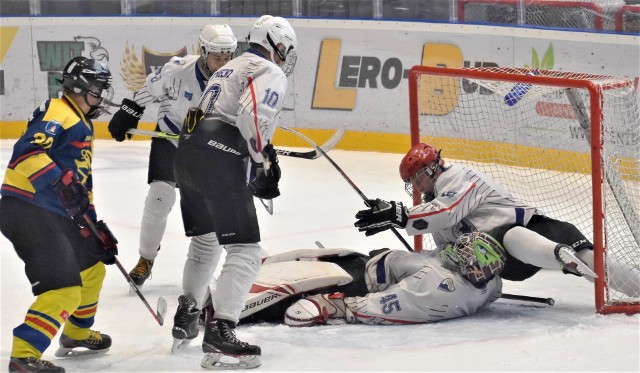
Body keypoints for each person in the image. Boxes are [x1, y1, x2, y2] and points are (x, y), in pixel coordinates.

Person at [170, 15, 297, 370]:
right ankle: (221, 329)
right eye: (285, 49)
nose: (286, 57)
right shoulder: (269, 70)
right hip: (218, 153)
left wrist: (260, 152)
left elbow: (220, 113)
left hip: (187, 152)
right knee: (245, 251)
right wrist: (260, 162)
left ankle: (187, 313)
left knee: (205, 242)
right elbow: (250, 116)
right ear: (278, 44)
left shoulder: (230, 67)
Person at [353, 142, 639, 298]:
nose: (416, 184)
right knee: (505, 241)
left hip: (536, 227)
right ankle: (557, 256)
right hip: (505, 263)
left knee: (587, 257)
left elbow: (445, 212)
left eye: (418, 176)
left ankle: (564, 257)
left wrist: (399, 214)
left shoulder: (459, 177)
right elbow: (447, 247)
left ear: (432, 166)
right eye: (411, 181)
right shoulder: (432, 206)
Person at [0, 57, 118, 373]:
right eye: (98, 89)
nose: (102, 97)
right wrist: (60, 181)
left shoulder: (80, 120)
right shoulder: (59, 111)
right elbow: (26, 154)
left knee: (92, 269)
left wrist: (94, 227)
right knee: (64, 289)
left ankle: (76, 333)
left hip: (53, 213)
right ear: (80, 88)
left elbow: (77, 185)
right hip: (27, 211)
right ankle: (23, 355)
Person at [107, 24, 238, 288]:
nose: (223, 63)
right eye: (217, 57)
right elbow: (150, 88)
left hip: (205, 148)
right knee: (159, 198)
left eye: (228, 57)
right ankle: (146, 259)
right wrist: (130, 110)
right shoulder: (177, 70)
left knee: (217, 207)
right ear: (203, 52)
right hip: (171, 137)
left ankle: (240, 255)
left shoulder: (236, 79)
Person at [281, 231, 506, 326]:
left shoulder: (437, 287)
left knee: (280, 281)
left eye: (464, 255)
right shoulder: (492, 284)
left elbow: (387, 305)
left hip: (356, 279)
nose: (455, 252)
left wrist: (333, 304)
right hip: (370, 262)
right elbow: (493, 291)